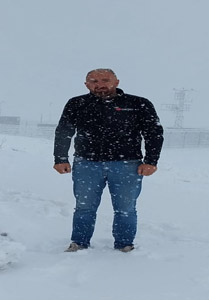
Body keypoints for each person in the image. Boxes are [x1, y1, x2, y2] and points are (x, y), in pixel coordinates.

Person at [53, 68, 164, 253]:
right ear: (86, 85)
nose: (100, 84)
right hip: (86, 163)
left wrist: (151, 161)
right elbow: (64, 131)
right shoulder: (77, 104)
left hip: (127, 165)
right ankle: (79, 243)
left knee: (126, 208)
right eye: (94, 81)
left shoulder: (138, 104)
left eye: (105, 80)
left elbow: (154, 133)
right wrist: (60, 158)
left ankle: (124, 244)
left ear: (117, 82)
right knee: (84, 207)